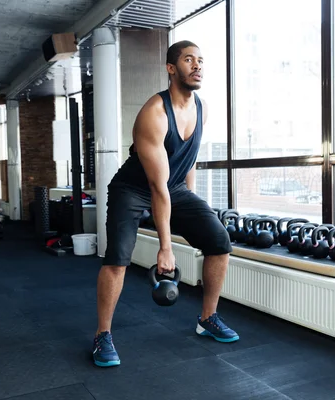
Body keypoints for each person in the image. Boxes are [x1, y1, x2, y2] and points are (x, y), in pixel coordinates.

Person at [92, 40, 239, 367]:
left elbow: (188, 162)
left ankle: (207, 318)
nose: (197, 65)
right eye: (189, 60)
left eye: (200, 60)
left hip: (172, 187)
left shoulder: (199, 107)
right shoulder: (154, 114)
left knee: (219, 241)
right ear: (172, 68)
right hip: (133, 189)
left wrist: (193, 202)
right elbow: (157, 187)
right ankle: (103, 335)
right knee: (117, 259)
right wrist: (166, 247)